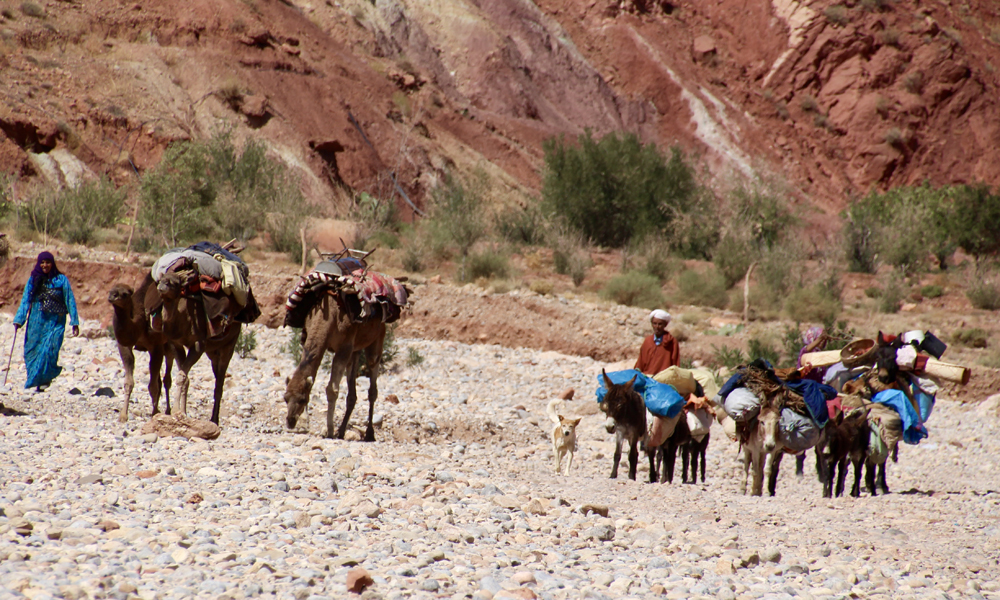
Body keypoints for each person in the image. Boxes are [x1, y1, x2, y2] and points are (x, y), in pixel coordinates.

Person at [12, 252, 79, 391]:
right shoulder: (34, 279)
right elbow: (26, 300)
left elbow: (69, 299)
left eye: (48, 262)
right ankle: (35, 380)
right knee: (32, 350)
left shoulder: (61, 280)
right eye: (42, 262)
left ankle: (45, 379)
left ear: (52, 263)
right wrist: (19, 319)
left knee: (51, 349)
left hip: (56, 322)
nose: (45, 265)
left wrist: (75, 322)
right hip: (37, 321)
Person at [635, 309, 679, 376]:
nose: (657, 327)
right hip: (647, 376)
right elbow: (640, 361)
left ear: (665, 325)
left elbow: (675, 363)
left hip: (664, 378)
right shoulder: (648, 341)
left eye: (660, 324)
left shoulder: (672, 342)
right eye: (654, 323)